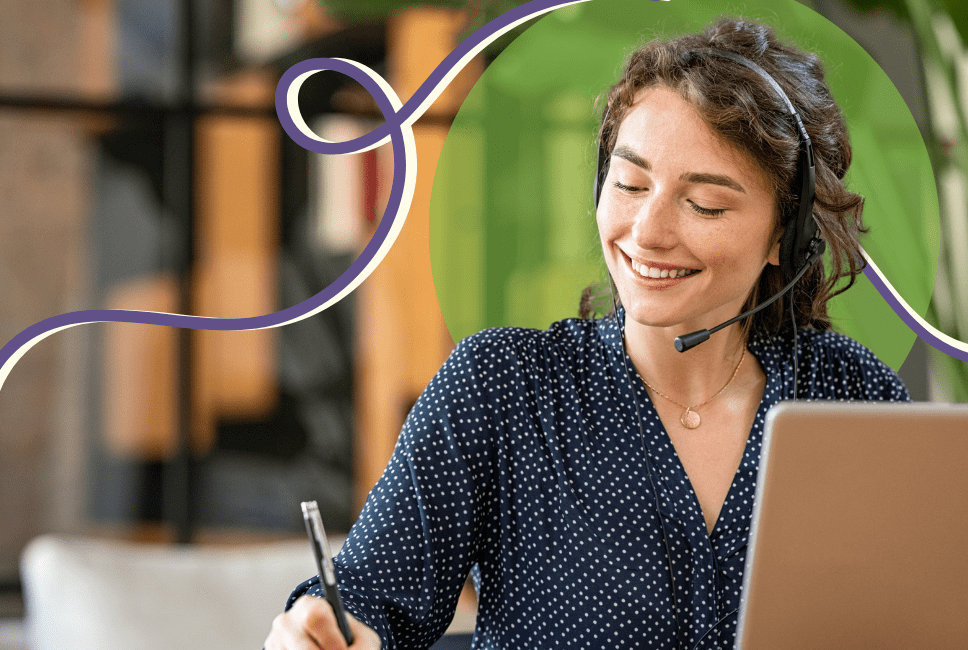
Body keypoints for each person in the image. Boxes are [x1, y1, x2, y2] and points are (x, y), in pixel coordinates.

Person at [264, 17, 909, 650]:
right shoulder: (503, 387)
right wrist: (317, 631)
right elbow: (369, 603)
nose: (647, 231)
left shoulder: (852, 395)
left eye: (705, 204)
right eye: (629, 184)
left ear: (784, 236)